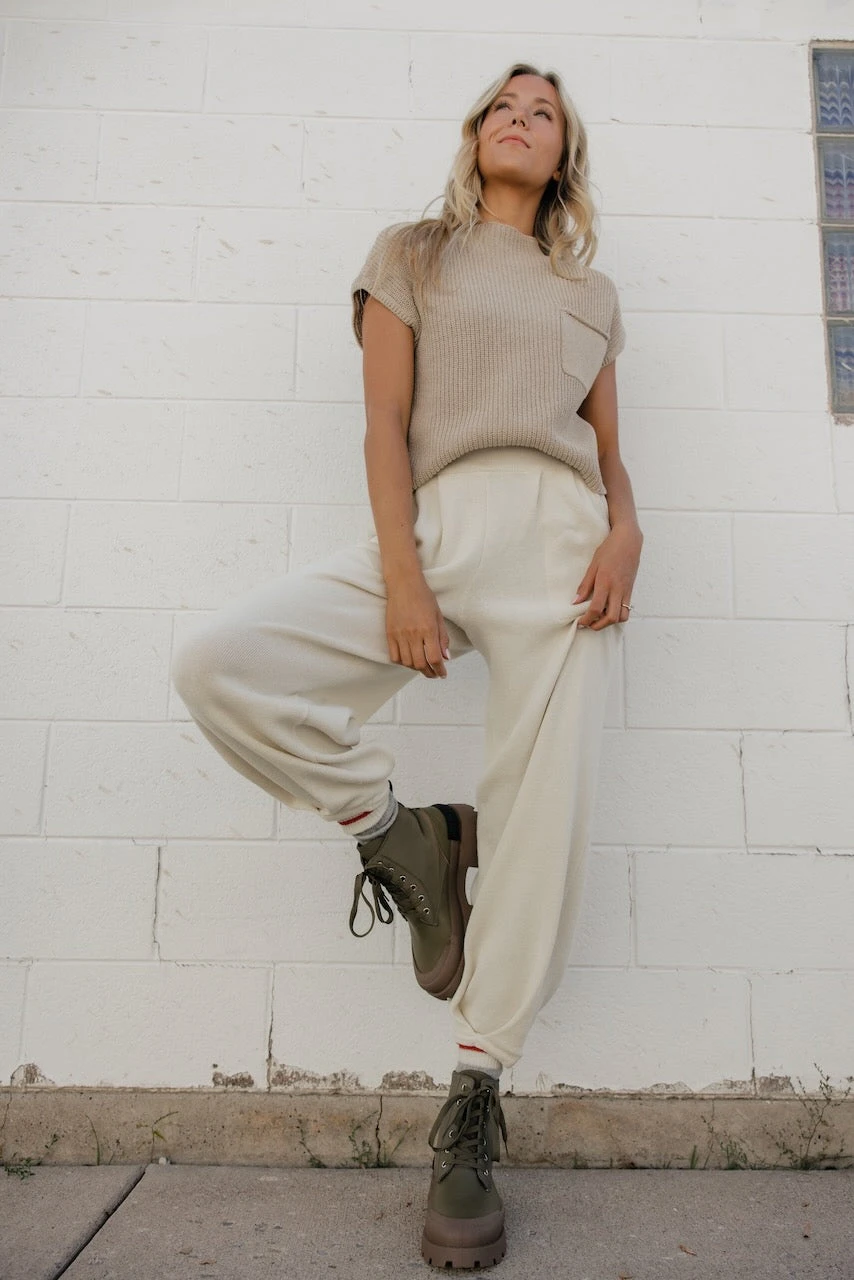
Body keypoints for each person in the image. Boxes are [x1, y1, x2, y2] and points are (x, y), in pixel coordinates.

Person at [171, 60, 643, 1272]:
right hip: (436, 522)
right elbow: (382, 420)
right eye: (503, 106)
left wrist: (627, 527)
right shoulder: (412, 253)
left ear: (563, 154)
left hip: (562, 542)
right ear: (476, 134)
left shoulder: (589, 292)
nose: (520, 120)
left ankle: (472, 1103)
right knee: (220, 665)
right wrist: (402, 575)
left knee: (544, 812)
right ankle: (400, 833)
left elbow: (604, 447)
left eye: (543, 112)